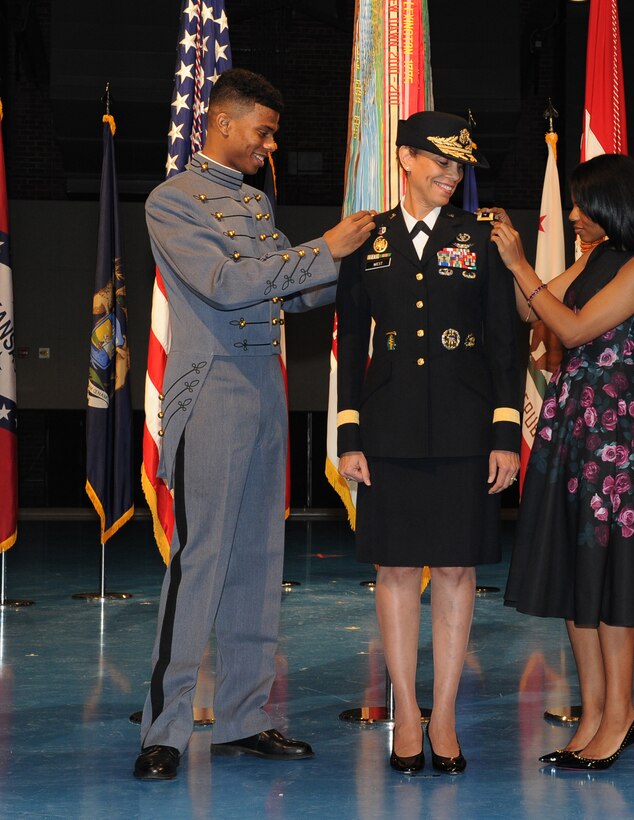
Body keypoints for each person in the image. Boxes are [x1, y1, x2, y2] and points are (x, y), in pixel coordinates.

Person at [134, 68, 376, 781]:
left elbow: (286, 296)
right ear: (222, 123)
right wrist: (325, 249)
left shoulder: (255, 206)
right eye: (262, 132)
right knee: (201, 562)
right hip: (209, 390)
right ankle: (164, 730)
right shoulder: (172, 202)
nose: (269, 147)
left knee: (258, 564)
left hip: (263, 394)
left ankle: (245, 718)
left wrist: (362, 269)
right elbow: (230, 284)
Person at [335, 111, 521, 775]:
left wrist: (505, 432)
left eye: (459, 166)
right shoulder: (367, 237)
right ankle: (405, 712)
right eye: (439, 163)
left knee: (454, 569)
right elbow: (351, 338)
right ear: (405, 158)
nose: (450, 176)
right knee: (391, 570)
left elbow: (504, 338)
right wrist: (348, 429)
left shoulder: (482, 235)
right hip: (387, 426)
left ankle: (443, 713)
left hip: (466, 428)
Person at [491, 153, 634, 771]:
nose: (572, 214)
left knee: (612, 578)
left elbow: (569, 331)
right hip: (570, 426)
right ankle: (593, 713)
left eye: (580, 205)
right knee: (578, 577)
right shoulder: (593, 256)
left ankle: (620, 714)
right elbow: (530, 311)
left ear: (611, 205)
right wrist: (521, 265)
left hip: (611, 434)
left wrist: (522, 264)